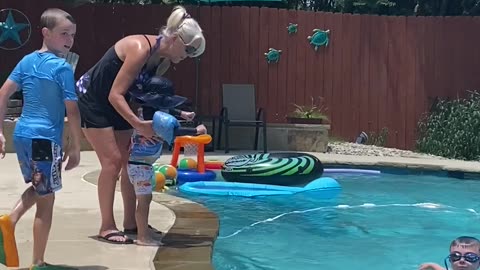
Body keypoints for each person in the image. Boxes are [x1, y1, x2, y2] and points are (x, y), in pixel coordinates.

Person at [75, 5, 205, 244]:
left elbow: (143, 95)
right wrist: (138, 124)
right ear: (175, 39)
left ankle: (131, 223)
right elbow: (116, 94)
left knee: (128, 161)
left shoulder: (161, 60)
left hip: (116, 102)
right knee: (112, 163)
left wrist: (176, 112)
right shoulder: (140, 48)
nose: (186, 57)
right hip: (92, 99)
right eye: (187, 50)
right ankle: (106, 225)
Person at [0, 8, 81, 269]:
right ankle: (15, 230)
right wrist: (76, 146)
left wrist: (1, 131)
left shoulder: (26, 61)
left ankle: (34, 255)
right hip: (45, 139)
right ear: (46, 33)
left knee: (42, 190)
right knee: (45, 197)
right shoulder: (62, 68)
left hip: (23, 135)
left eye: (72, 35)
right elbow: (73, 110)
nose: (69, 40)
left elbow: (3, 94)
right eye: (63, 34)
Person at [127, 106, 206, 246]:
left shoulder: (143, 114)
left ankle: (143, 232)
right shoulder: (154, 122)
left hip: (140, 165)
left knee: (145, 199)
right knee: (144, 202)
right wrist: (196, 131)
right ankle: (142, 237)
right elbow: (174, 131)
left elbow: (164, 108)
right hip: (140, 167)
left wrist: (183, 113)